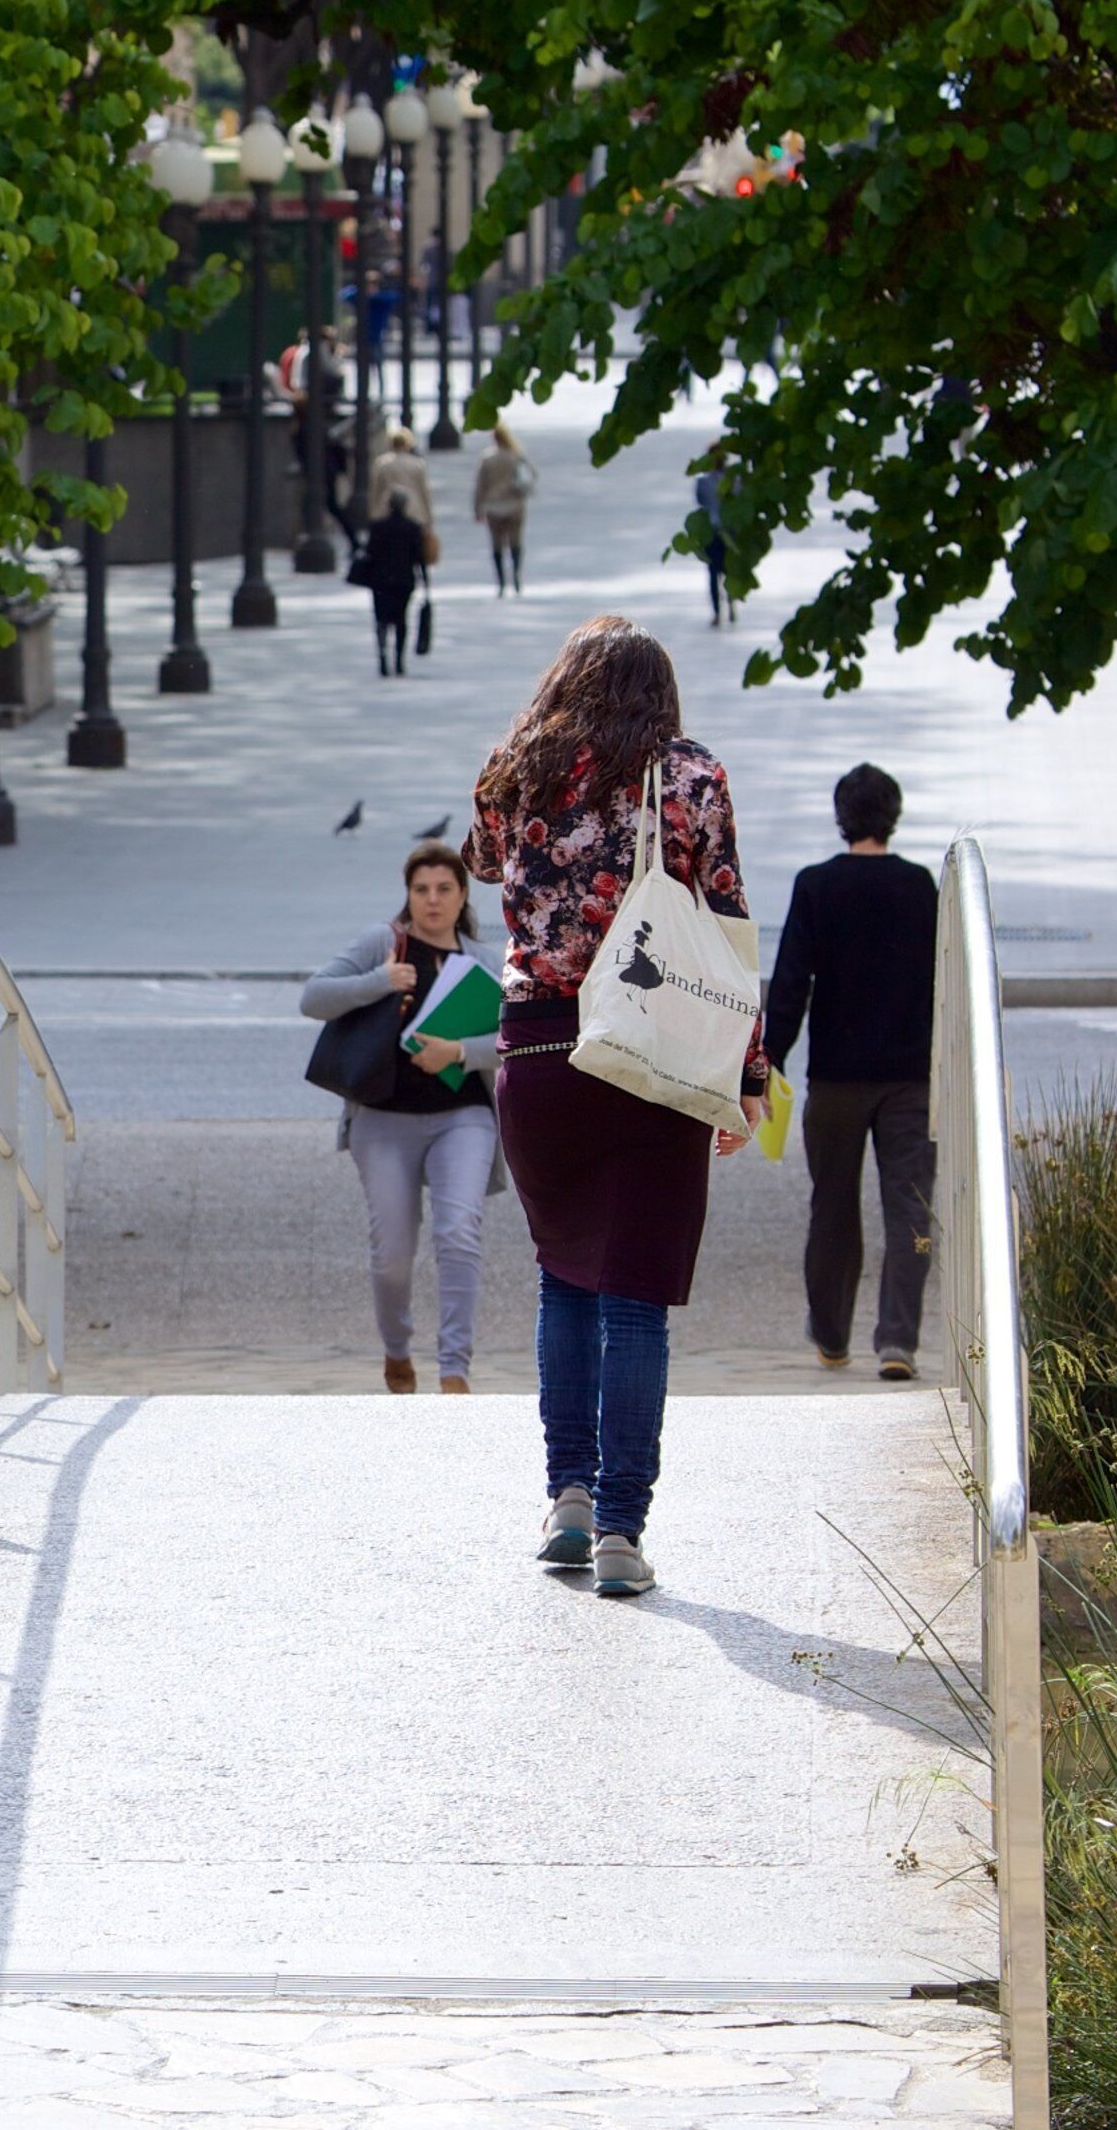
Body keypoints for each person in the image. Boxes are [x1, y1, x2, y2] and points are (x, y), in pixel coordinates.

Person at [464, 616, 770, 1598]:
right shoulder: (689, 776)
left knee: (564, 1278)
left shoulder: (515, 767)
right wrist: (745, 1077)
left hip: (540, 1050)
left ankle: (568, 1499)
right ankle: (622, 1536)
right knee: (634, 1299)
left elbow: (478, 862)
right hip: (651, 1048)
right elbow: (724, 923)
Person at [302, 841, 508, 1394]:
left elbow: (514, 1038)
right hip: (383, 1117)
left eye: (444, 889)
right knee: (392, 1252)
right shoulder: (381, 944)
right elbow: (313, 998)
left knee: (459, 1231)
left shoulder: (486, 962)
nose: (432, 901)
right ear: (408, 895)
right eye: (421, 890)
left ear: (464, 895)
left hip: (462, 1115)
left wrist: (459, 1052)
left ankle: (454, 1369)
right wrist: (379, 982)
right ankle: (397, 1351)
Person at [761, 763, 938, 1382]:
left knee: (831, 1207)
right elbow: (943, 985)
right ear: (894, 813)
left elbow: (790, 983)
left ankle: (832, 1337)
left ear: (842, 817)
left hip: (835, 1080)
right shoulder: (921, 887)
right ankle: (898, 1342)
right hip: (910, 1079)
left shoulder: (816, 886)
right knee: (910, 1210)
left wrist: (770, 1058)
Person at [355, 501, 426, 676]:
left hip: (380, 582)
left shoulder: (377, 527)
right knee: (401, 621)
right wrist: (425, 581)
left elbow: (369, 552)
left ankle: (382, 658)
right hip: (404, 581)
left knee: (381, 620)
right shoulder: (413, 528)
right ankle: (399, 660)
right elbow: (419, 557)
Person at [472, 425, 535, 594]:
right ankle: (516, 574)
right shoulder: (516, 455)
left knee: (496, 544)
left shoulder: (487, 458)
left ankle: (500, 582)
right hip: (514, 505)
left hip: (493, 506)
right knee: (515, 542)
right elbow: (531, 475)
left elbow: (480, 486)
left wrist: (477, 508)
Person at [694, 444, 731, 625]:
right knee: (729, 569)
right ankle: (730, 604)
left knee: (713, 573)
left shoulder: (703, 480)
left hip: (711, 530)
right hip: (728, 529)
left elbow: (700, 501)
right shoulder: (734, 478)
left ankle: (718, 612)